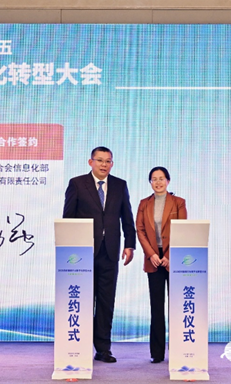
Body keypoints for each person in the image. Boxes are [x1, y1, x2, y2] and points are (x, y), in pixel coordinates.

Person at [63, 146, 136, 363]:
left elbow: (127, 217)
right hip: (83, 253)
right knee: (83, 300)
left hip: (110, 252)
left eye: (108, 161)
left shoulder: (120, 185)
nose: (104, 165)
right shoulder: (77, 184)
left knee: (106, 302)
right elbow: (68, 218)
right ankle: (79, 347)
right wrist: (70, 249)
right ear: (91, 162)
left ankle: (103, 349)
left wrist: (130, 245)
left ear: (112, 164)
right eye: (100, 160)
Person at [136, 166, 187, 364]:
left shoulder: (178, 202)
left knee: (177, 306)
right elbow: (140, 230)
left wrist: (169, 255)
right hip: (153, 260)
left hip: (173, 259)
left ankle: (179, 350)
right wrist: (151, 254)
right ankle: (157, 353)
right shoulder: (144, 203)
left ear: (168, 181)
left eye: (161, 178)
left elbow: (182, 229)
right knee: (156, 308)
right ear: (150, 182)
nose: (158, 182)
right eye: (154, 179)